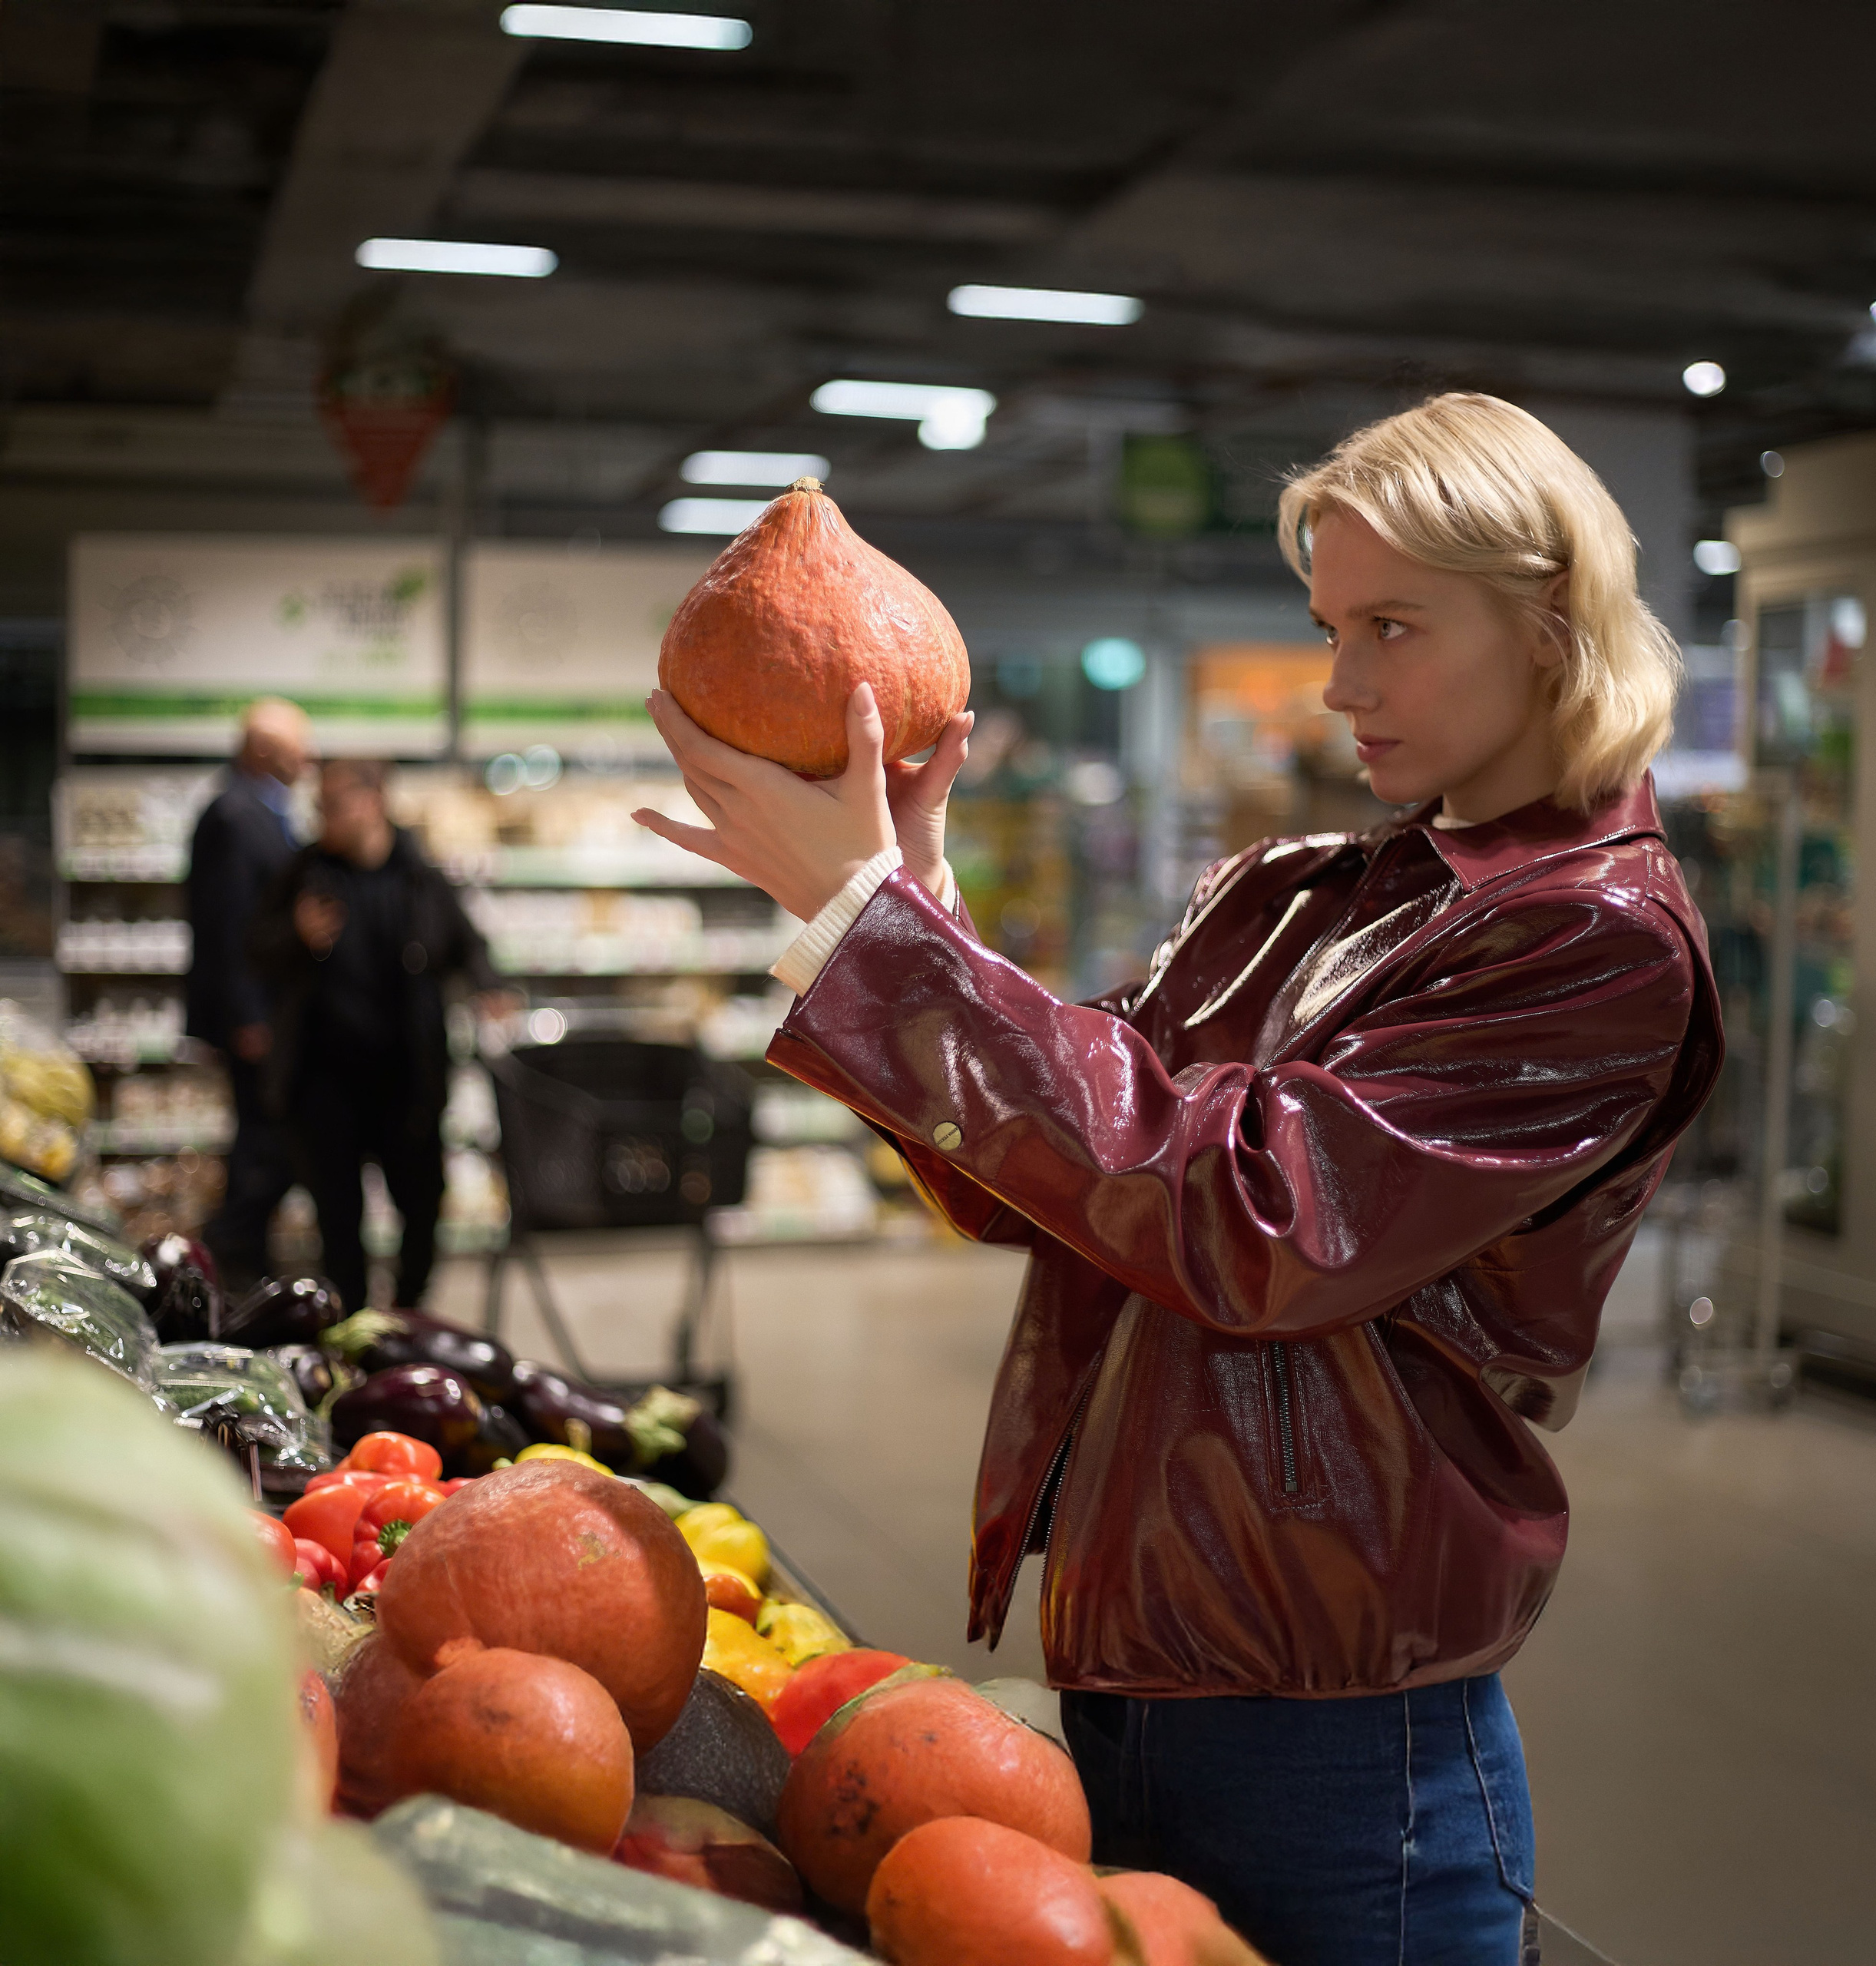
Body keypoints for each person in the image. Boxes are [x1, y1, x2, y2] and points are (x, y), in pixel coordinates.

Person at [634, 393, 1724, 1966]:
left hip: (1338, 1731)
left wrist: (882, 937)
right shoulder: (1292, 894)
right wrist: (911, 911)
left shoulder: (1592, 937)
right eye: (1328, 625)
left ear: (1550, 622)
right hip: (1137, 1649)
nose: (1337, 683)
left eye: (1390, 627)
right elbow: (1047, 1181)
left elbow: (1254, 1219)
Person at [251, 758, 510, 1315]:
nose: (323, 818)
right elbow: (256, 949)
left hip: (407, 1081)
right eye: (319, 806)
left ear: (373, 801)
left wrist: (490, 988)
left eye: (334, 805)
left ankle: (408, 1312)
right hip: (326, 1084)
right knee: (339, 1218)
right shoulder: (305, 872)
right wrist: (295, 936)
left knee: (421, 1206)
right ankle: (353, 1324)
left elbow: (468, 943)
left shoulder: (420, 874)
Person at [185, 696, 315, 1289]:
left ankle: (241, 1253)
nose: (306, 760)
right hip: (254, 1017)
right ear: (262, 751)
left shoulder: (263, 810)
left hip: (266, 1013)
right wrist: (247, 1016)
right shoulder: (237, 815)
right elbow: (228, 924)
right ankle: (233, 1253)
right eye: (296, 749)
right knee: (266, 1139)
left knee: (266, 1136)